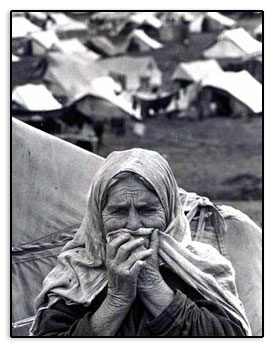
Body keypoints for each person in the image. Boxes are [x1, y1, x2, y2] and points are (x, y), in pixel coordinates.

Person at [30, 148, 251, 337]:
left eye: (147, 210)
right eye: (118, 211)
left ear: (169, 211)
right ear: (98, 215)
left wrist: (153, 285)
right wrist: (116, 299)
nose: (134, 225)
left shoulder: (200, 264)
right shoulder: (77, 270)